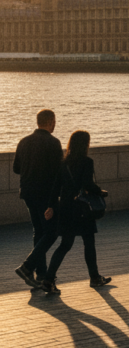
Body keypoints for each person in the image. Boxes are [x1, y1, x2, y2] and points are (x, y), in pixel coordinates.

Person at [25, 131, 110, 295]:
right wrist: (100, 192)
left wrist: (50, 206)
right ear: (85, 144)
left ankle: (48, 280)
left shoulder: (63, 163)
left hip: (65, 208)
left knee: (65, 245)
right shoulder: (87, 162)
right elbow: (87, 184)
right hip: (82, 208)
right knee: (89, 242)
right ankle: (94, 277)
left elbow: (56, 187)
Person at [12, 109, 63, 289]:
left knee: (39, 231)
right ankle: (27, 266)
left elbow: (16, 168)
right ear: (50, 122)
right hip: (46, 194)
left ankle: (41, 274)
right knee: (52, 232)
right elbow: (58, 173)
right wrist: (54, 201)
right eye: (54, 121)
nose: (55, 124)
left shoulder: (24, 142)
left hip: (27, 193)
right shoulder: (53, 143)